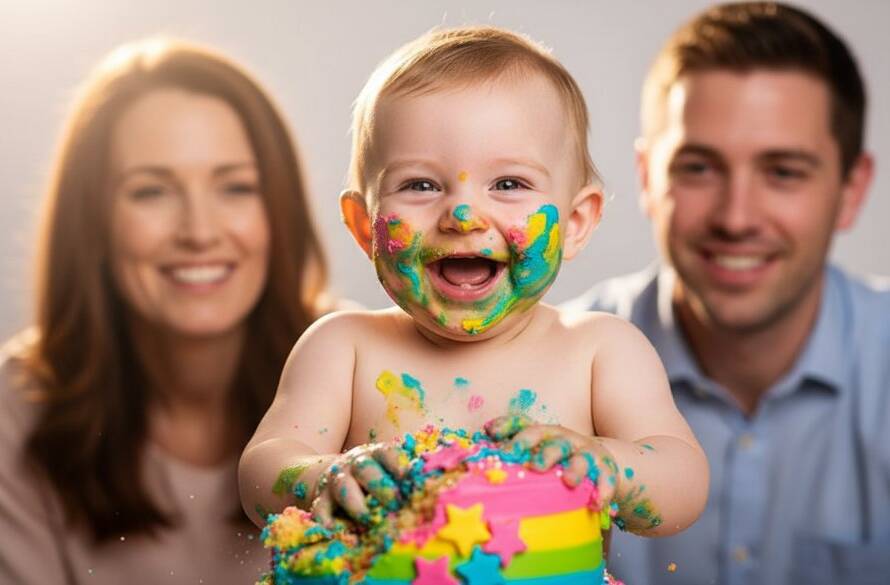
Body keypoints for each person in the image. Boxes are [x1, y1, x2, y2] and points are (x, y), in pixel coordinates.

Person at [239, 25, 708, 550]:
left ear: (575, 221)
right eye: (420, 185)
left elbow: (683, 483)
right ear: (363, 225)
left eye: (508, 184)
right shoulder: (343, 348)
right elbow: (262, 473)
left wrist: (606, 466)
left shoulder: (599, 351)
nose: (463, 215)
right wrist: (324, 475)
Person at [565, 3, 890, 584]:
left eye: (784, 171)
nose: (736, 219)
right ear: (645, 178)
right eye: (698, 168)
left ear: (851, 189)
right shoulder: (532, 373)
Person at [0, 38, 332, 584]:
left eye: (236, 187)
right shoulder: (18, 409)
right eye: (151, 191)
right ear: (94, 222)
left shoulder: (366, 367)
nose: (199, 232)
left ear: (279, 210)